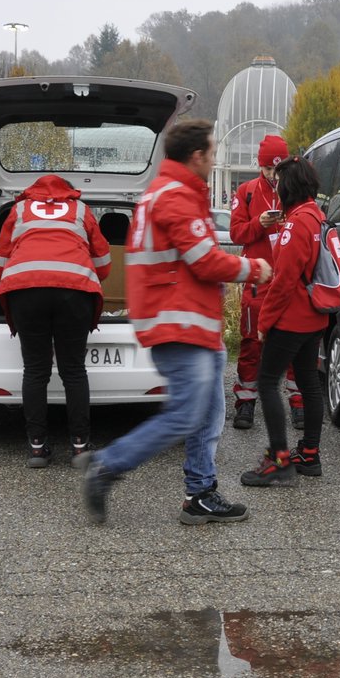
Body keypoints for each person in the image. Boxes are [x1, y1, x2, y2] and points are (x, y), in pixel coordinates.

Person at [81, 120, 274, 525]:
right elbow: (204, 259)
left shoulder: (172, 193)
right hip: (179, 323)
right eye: (213, 152)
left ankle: (200, 493)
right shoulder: (175, 196)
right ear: (197, 156)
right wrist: (253, 268)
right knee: (187, 415)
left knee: (206, 415)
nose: (215, 159)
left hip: (192, 323)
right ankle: (107, 465)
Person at [0, 173, 111, 468]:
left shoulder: (18, 210)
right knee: (73, 369)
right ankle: (81, 448)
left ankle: (37, 448)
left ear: (33, 191)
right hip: (74, 292)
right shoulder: (81, 210)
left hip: (25, 291)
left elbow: (2, 262)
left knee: (35, 369)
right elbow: (104, 264)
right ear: (69, 192)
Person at [240, 156, 329, 487]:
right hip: (316, 318)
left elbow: (282, 281)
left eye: (279, 183)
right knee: (308, 382)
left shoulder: (295, 225)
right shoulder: (318, 217)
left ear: (288, 187)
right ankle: (309, 454)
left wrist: (264, 321)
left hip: (292, 319)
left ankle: (278, 458)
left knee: (266, 381)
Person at [229, 134, 304, 431]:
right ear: (259, 167)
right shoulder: (246, 192)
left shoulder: (296, 192)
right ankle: (245, 402)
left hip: (289, 283)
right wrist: (257, 225)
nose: (274, 176)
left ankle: (298, 403)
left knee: (293, 346)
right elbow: (236, 234)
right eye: (268, 170)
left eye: (279, 169)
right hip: (258, 282)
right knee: (251, 344)